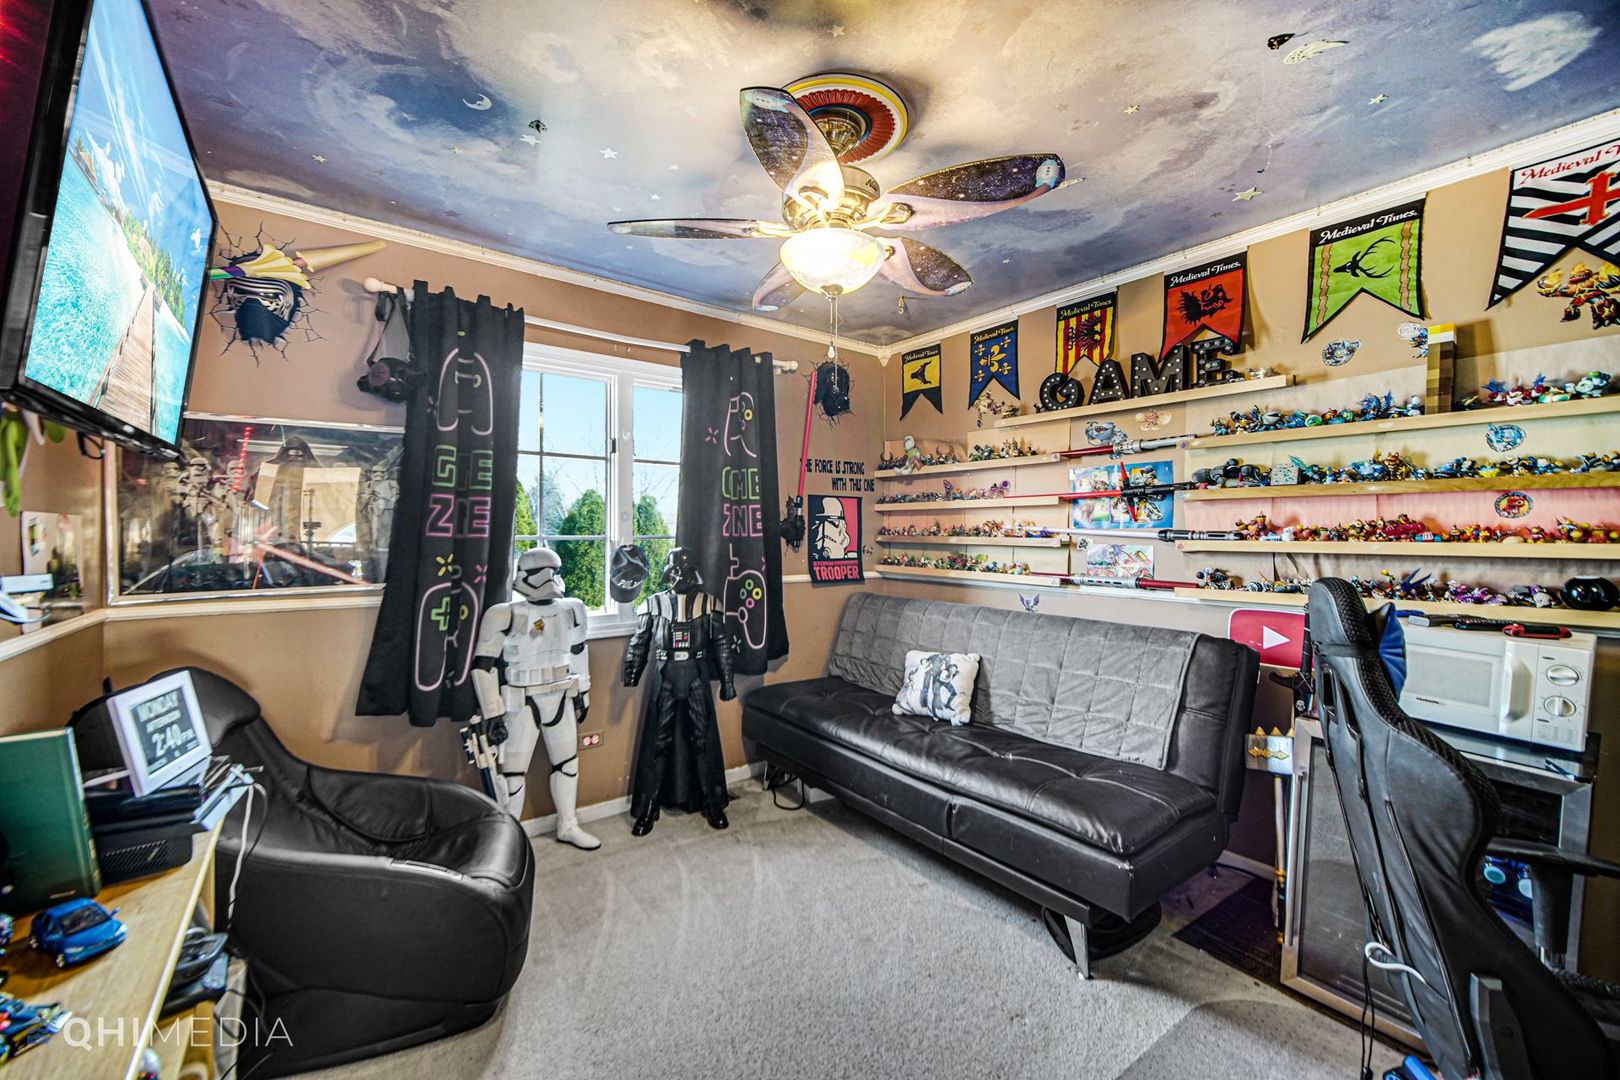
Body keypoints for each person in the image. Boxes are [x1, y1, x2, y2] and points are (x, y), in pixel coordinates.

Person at [471, 546, 599, 849]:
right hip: (520, 699)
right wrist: (493, 712)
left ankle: (568, 824)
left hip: (560, 692)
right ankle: (509, 838)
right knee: (513, 772)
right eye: (544, 572)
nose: (552, 579)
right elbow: (483, 665)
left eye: (555, 571)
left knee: (567, 762)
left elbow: (579, 650)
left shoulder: (572, 608)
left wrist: (583, 691)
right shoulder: (505, 613)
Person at [623, 548, 735, 835]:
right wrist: (631, 674)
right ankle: (649, 805)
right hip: (665, 675)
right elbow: (640, 642)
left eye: (683, 572)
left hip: (697, 674)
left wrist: (728, 682)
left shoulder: (709, 604)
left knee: (702, 739)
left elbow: (721, 645)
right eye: (675, 572)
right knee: (657, 742)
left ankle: (712, 801)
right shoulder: (652, 604)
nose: (679, 578)